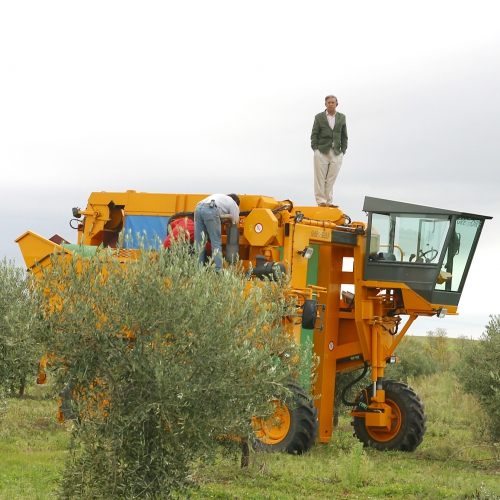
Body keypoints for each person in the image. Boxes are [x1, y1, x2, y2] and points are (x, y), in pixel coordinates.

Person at [310, 95, 348, 207]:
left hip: (336, 151)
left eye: (332, 102)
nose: (330, 104)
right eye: (328, 102)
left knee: (332, 177)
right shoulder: (319, 117)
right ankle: (321, 200)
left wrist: (343, 150)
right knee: (320, 177)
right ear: (325, 104)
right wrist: (315, 149)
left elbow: (344, 135)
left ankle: (329, 200)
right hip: (322, 150)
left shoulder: (342, 117)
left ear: (337, 104)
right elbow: (314, 134)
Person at [194, 193, 240, 272]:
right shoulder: (233, 202)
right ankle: (218, 270)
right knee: (216, 242)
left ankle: (198, 270)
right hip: (211, 209)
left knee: (199, 243)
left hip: (198, 208)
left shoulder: (221, 197)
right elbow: (235, 221)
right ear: (236, 202)